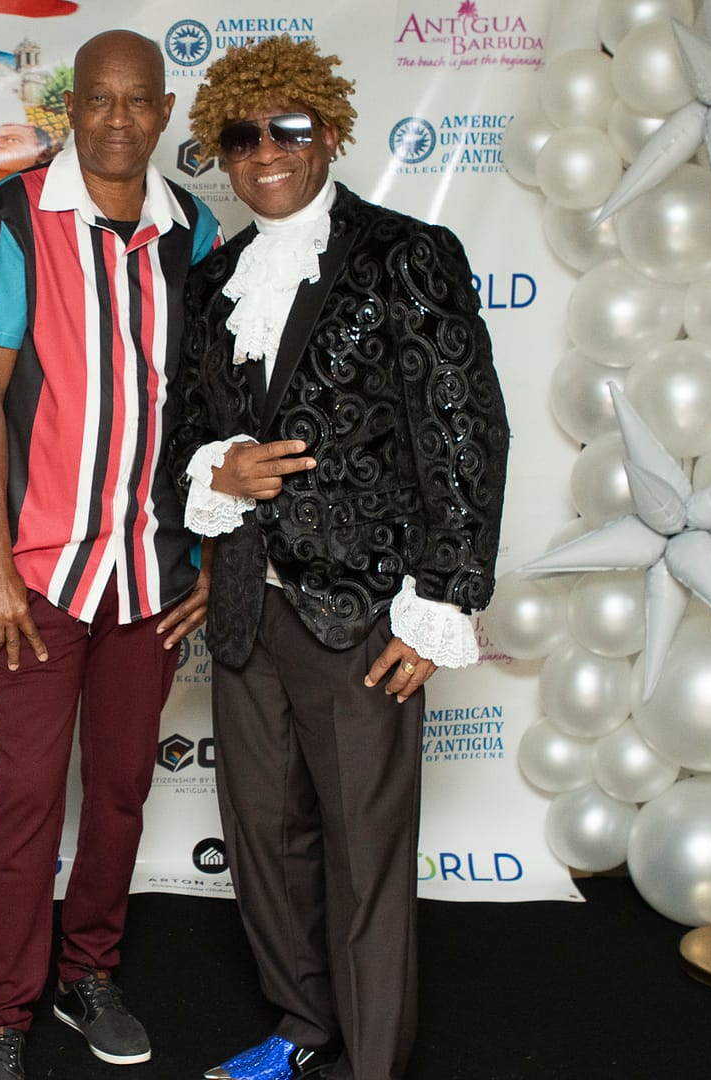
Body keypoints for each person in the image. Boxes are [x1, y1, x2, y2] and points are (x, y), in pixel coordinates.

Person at [170, 36, 510, 1080]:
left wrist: (442, 602)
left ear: (328, 130)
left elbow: (464, 433)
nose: (265, 151)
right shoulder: (216, 278)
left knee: (364, 852)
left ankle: (372, 1062)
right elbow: (188, 427)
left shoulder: (407, 254)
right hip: (248, 606)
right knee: (263, 838)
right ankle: (302, 1025)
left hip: (362, 609)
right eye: (242, 137)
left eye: (288, 129)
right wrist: (219, 469)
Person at [0, 28, 220, 1080]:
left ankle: (87, 973)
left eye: (137, 100)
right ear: (70, 110)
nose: (116, 118)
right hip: (41, 576)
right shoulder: (16, 214)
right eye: (97, 99)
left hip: (152, 573)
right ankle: (0, 1015)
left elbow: (211, 410)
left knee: (119, 791)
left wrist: (210, 557)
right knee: (27, 799)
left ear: (164, 112)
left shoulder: (194, 228)